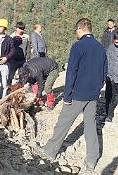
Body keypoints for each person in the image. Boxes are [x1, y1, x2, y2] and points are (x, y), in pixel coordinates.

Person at [37, 18, 107, 173]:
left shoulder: (78, 46)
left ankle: (49, 151)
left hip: (78, 93)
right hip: (93, 94)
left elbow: (71, 72)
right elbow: (104, 72)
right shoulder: (101, 47)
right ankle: (92, 160)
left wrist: (67, 95)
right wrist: (97, 88)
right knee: (90, 125)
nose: (76, 33)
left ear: (81, 29)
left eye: (76, 30)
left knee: (63, 122)